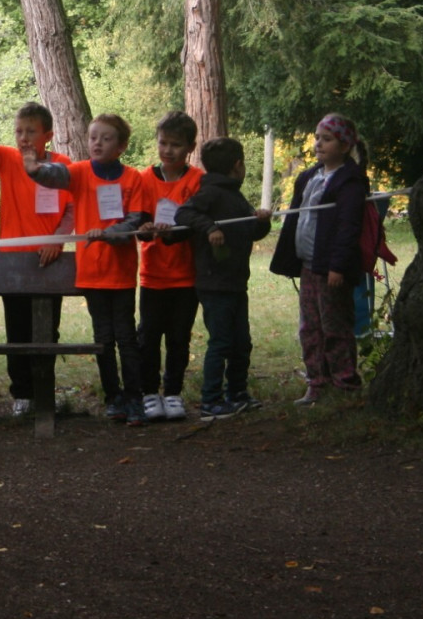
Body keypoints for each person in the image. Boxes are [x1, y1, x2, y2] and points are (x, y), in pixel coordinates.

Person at [25, 113, 153, 424]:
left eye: (106, 138)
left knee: (126, 338)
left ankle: (135, 398)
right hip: (92, 275)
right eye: (93, 137)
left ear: (121, 146)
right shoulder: (80, 172)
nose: (97, 143)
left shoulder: (133, 178)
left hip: (121, 276)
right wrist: (35, 169)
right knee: (103, 340)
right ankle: (113, 398)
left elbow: (136, 220)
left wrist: (110, 233)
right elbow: (54, 175)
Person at [0, 81, 73, 417]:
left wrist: (56, 240)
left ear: (48, 135)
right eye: (19, 131)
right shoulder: (9, 160)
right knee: (17, 331)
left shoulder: (62, 166)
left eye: (31, 131)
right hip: (13, 262)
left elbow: (71, 209)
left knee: (47, 331)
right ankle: (22, 395)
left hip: (49, 261)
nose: (24, 138)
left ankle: (44, 392)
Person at [267, 113, 369, 406]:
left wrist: (337, 266)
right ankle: (317, 382)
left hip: (331, 270)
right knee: (310, 328)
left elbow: (349, 227)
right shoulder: (310, 177)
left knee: (335, 326)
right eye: (317, 138)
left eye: (327, 139)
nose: (318, 144)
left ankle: (345, 384)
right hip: (308, 265)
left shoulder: (350, 181)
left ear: (345, 146)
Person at [169, 137, 273, 420]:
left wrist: (262, 222)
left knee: (242, 343)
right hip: (214, 283)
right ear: (237, 165)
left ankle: (237, 393)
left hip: (237, 282)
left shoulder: (236, 196)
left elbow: (251, 232)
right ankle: (210, 400)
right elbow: (184, 213)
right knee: (221, 342)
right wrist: (210, 228)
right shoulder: (211, 193)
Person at [135, 111, 204, 422]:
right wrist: (146, 229)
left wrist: (175, 232)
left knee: (179, 337)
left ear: (190, 147)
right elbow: (138, 221)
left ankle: (173, 392)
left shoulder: (197, 181)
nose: (168, 150)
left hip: (186, 276)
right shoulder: (144, 179)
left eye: (176, 145)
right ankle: (149, 392)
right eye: (163, 143)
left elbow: (197, 223)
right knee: (148, 337)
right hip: (153, 275)